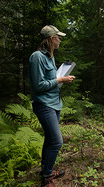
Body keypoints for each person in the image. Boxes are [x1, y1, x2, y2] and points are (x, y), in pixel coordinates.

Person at [28, 25, 75, 187]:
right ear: (50, 39)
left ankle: (46, 170)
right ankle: (46, 178)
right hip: (44, 104)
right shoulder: (37, 57)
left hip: (55, 103)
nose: (60, 39)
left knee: (50, 139)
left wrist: (60, 78)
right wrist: (60, 80)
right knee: (56, 141)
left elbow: (50, 81)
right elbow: (38, 85)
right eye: (58, 37)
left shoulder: (50, 57)